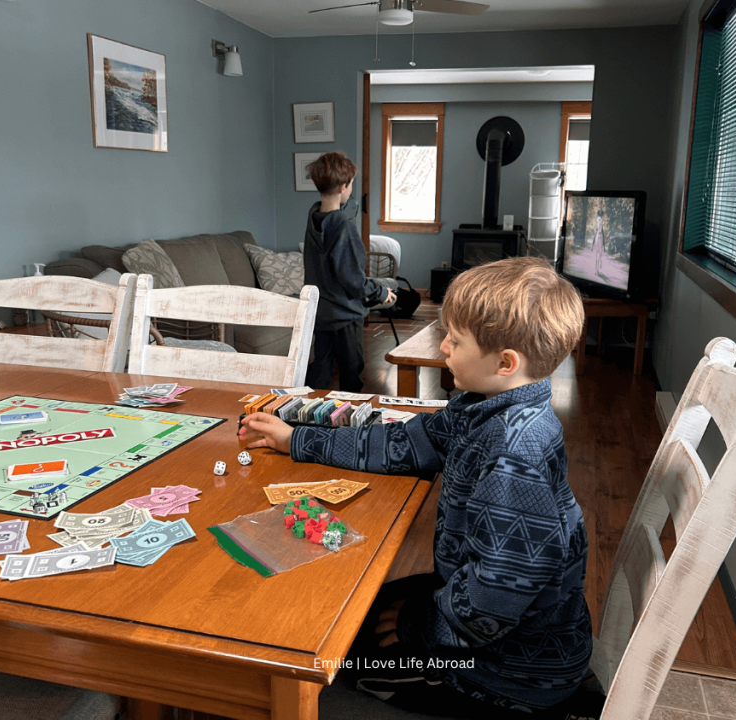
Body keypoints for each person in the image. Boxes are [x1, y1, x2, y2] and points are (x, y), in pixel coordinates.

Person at [240, 257, 601, 718]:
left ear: (505, 363)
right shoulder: (483, 405)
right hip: (483, 610)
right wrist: (297, 439)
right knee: (359, 608)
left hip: (507, 669)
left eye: (456, 340)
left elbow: (496, 599)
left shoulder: (515, 452)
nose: (443, 346)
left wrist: (417, 625)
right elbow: (407, 443)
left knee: (335, 660)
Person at [302, 152, 395, 392]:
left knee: (320, 371)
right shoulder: (343, 226)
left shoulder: (313, 219)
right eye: (351, 183)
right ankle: (350, 413)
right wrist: (381, 293)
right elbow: (354, 280)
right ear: (344, 186)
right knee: (351, 372)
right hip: (345, 316)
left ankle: (307, 411)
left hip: (321, 313)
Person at [591, 209, 605, 274]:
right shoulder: (599, 219)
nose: (601, 215)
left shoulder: (601, 220)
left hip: (600, 233)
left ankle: (597, 269)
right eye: (600, 214)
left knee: (598, 254)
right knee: (597, 254)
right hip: (598, 233)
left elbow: (601, 229)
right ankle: (596, 269)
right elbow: (598, 228)